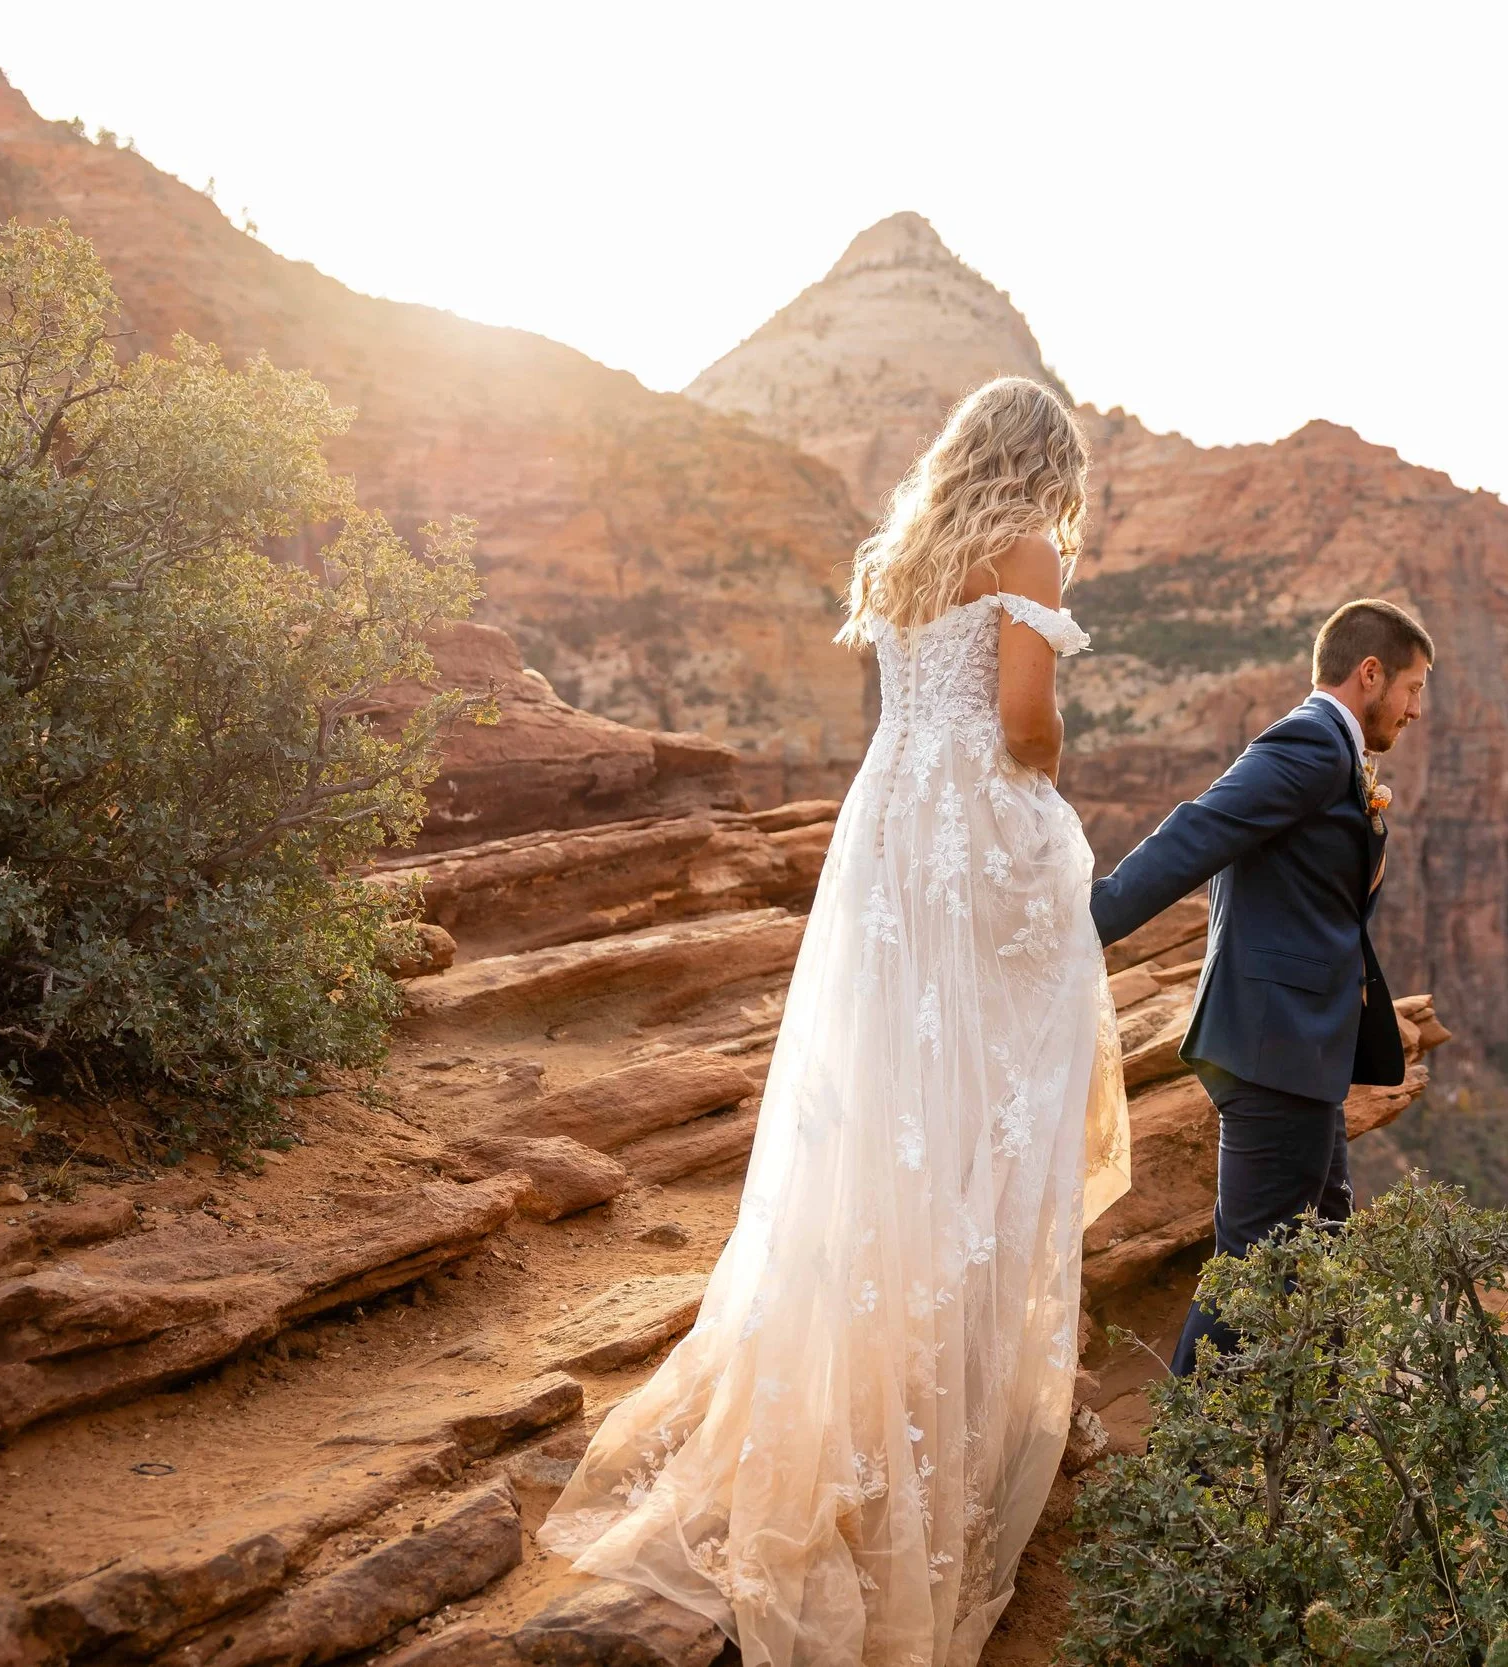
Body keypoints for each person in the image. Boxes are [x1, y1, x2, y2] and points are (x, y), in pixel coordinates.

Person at [538, 377, 1130, 1667]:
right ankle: (942, 1398)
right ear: (1047, 465)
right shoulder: (1025, 544)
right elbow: (1026, 718)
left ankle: (868, 1376)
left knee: (892, 1096)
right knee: (986, 1096)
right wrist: (1054, 760)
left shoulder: (916, 549)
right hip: (974, 833)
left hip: (890, 834)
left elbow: (919, 706)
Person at [1088, 598, 1432, 1375]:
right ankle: (1183, 1476)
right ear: (1368, 672)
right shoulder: (1312, 743)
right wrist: (1087, 922)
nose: (1415, 711)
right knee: (1253, 1267)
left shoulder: (1334, 754)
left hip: (1301, 1049)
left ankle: (1333, 1447)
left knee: (1325, 1241)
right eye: (1412, 688)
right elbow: (1197, 832)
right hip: (1275, 1048)